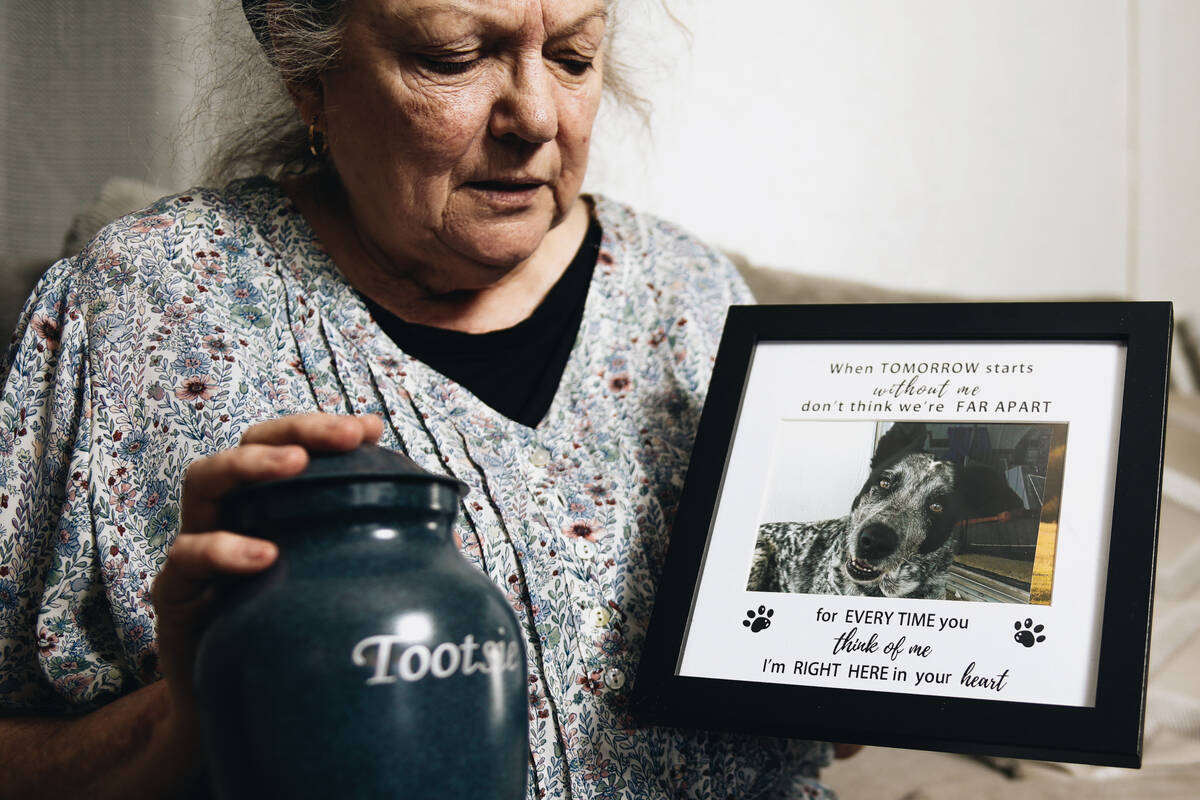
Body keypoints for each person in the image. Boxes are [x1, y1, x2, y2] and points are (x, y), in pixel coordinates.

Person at [0, 0, 851, 795]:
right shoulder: (142, 301)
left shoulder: (698, 298)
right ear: (310, 79)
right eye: (454, 56)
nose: (538, 118)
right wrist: (192, 718)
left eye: (573, 56)